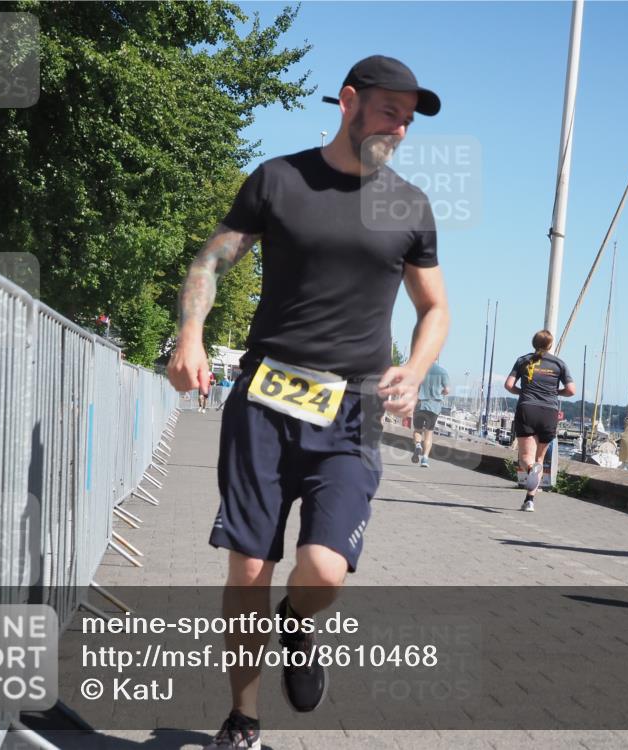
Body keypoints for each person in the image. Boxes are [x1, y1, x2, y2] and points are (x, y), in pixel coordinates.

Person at [166, 54, 447, 749]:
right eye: (389, 112)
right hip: (264, 399)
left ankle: (298, 617)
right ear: (349, 101)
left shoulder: (406, 205)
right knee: (249, 567)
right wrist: (191, 334)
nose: (400, 129)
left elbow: (435, 306)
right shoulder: (279, 179)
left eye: (408, 122)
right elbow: (211, 261)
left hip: (352, 409)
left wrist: (415, 366)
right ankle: (244, 718)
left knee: (321, 569)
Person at [504, 330, 575, 512]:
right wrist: (554, 393)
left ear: (533, 343)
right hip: (549, 411)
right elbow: (571, 390)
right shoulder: (559, 364)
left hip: (527, 408)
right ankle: (530, 500)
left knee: (526, 458)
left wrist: (524, 392)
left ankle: (530, 471)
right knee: (540, 459)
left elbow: (509, 385)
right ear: (550, 345)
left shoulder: (523, 360)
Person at [411, 360, 450, 467]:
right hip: (434, 406)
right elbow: (447, 390)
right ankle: (425, 459)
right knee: (429, 433)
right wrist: (440, 392)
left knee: (417, 430)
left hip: (420, 405)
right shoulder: (442, 371)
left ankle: (418, 445)